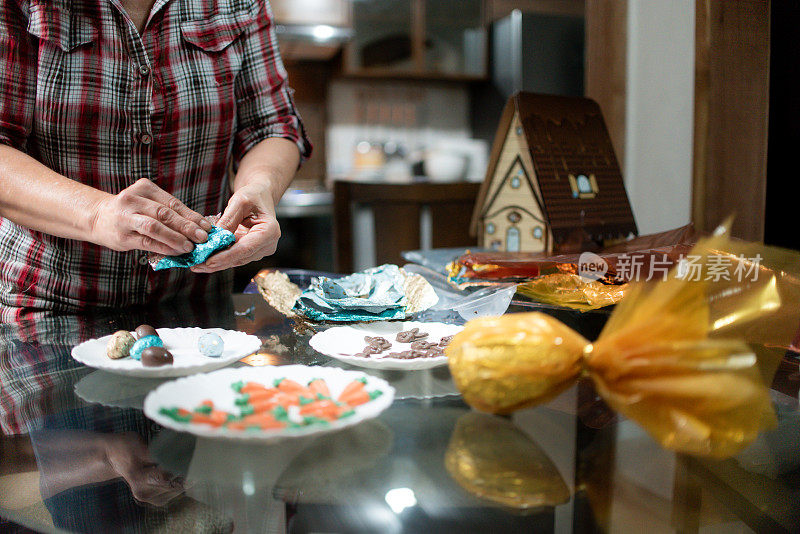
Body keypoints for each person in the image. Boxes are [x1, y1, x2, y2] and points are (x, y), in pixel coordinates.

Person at [0, 0, 312, 321]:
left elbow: (271, 126)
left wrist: (260, 186)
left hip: (196, 310)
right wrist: (97, 215)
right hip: (51, 308)